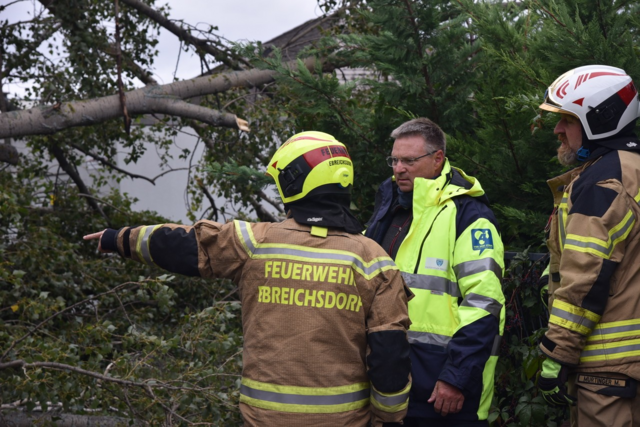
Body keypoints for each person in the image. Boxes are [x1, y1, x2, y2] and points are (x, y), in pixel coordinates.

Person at [84, 131, 412, 427]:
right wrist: (389, 417)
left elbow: (181, 244)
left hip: (263, 418)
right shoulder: (375, 261)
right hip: (344, 420)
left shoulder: (254, 241)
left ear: (296, 181)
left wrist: (118, 238)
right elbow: (388, 355)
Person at [365, 118, 505, 427]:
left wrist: (456, 377)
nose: (398, 168)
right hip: (387, 384)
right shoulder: (389, 208)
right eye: (395, 160)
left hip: (441, 391)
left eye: (409, 161)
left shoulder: (469, 216)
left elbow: (485, 304)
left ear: (437, 159)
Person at [536, 64, 640, 426]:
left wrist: (556, 354)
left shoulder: (602, 181)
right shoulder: (633, 168)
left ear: (600, 118)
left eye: (567, 119)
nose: (557, 129)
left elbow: (585, 278)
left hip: (608, 369)